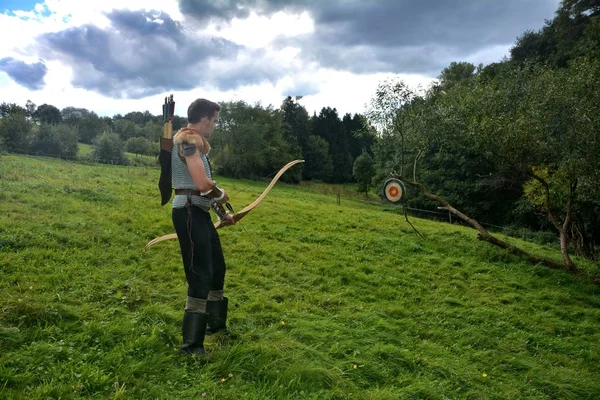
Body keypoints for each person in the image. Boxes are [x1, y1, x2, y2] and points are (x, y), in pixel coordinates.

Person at [171, 98, 235, 356]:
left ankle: (214, 326)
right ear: (205, 119)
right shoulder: (187, 142)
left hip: (198, 212)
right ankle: (191, 346)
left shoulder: (196, 147)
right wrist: (220, 195)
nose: (215, 126)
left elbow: (202, 189)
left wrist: (222, 214)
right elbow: (200, 182)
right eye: (215, 121)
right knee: (199, 275)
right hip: (188, 212)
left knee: (217, 268)